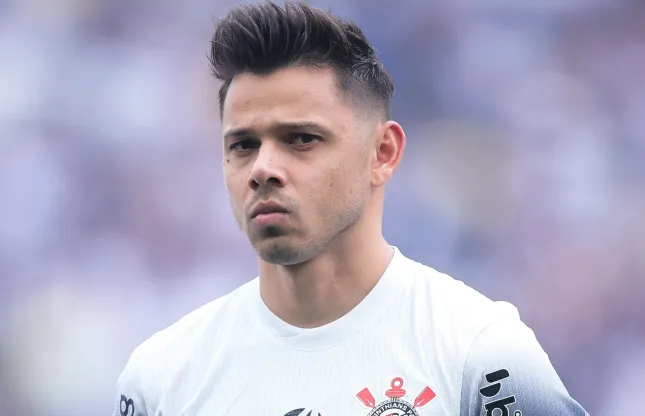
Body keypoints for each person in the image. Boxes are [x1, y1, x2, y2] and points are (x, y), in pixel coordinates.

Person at [113, 2, 589, 415]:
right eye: (242, 145)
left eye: (301, 139)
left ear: (382, 153)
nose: (263, 168)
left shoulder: (480, 356)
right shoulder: (162, 378)